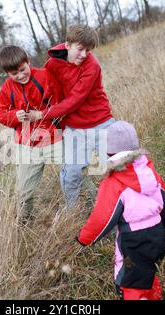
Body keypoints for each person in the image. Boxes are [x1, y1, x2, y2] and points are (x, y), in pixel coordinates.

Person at [76, 121, 165, 300]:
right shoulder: (150, 172)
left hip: (133, 241)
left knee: (130, 282)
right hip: (157, 235)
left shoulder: (113, 182)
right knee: (149, 272)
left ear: (109, 152)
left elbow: (102, 219)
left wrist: (85, 238)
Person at [30, 25, 114, 210]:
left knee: (118, 166)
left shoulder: (92, 66)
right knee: (71, 174)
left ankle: (126, 210)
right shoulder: (52, 64)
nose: (84, 54)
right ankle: (73, 214)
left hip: (102, 122)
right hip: (75, 128)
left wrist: (44, 114)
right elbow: (47, 89)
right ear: (67, 45)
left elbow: (75, 100)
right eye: (80, 49)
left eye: (88, 50)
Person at [0, 45, 63, 221]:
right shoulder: (7, 88)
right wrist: (14, 116)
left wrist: (42, 114)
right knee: (23, 191)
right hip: (26, 144)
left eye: (22, 69)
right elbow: (1, 115)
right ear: (7, 74)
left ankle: (95, 208)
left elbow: (61, 104)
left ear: (28, 62)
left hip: (53, 138)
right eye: (14, 73)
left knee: (75, 174)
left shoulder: (45, 76)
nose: (20, 75)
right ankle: (24, 225)